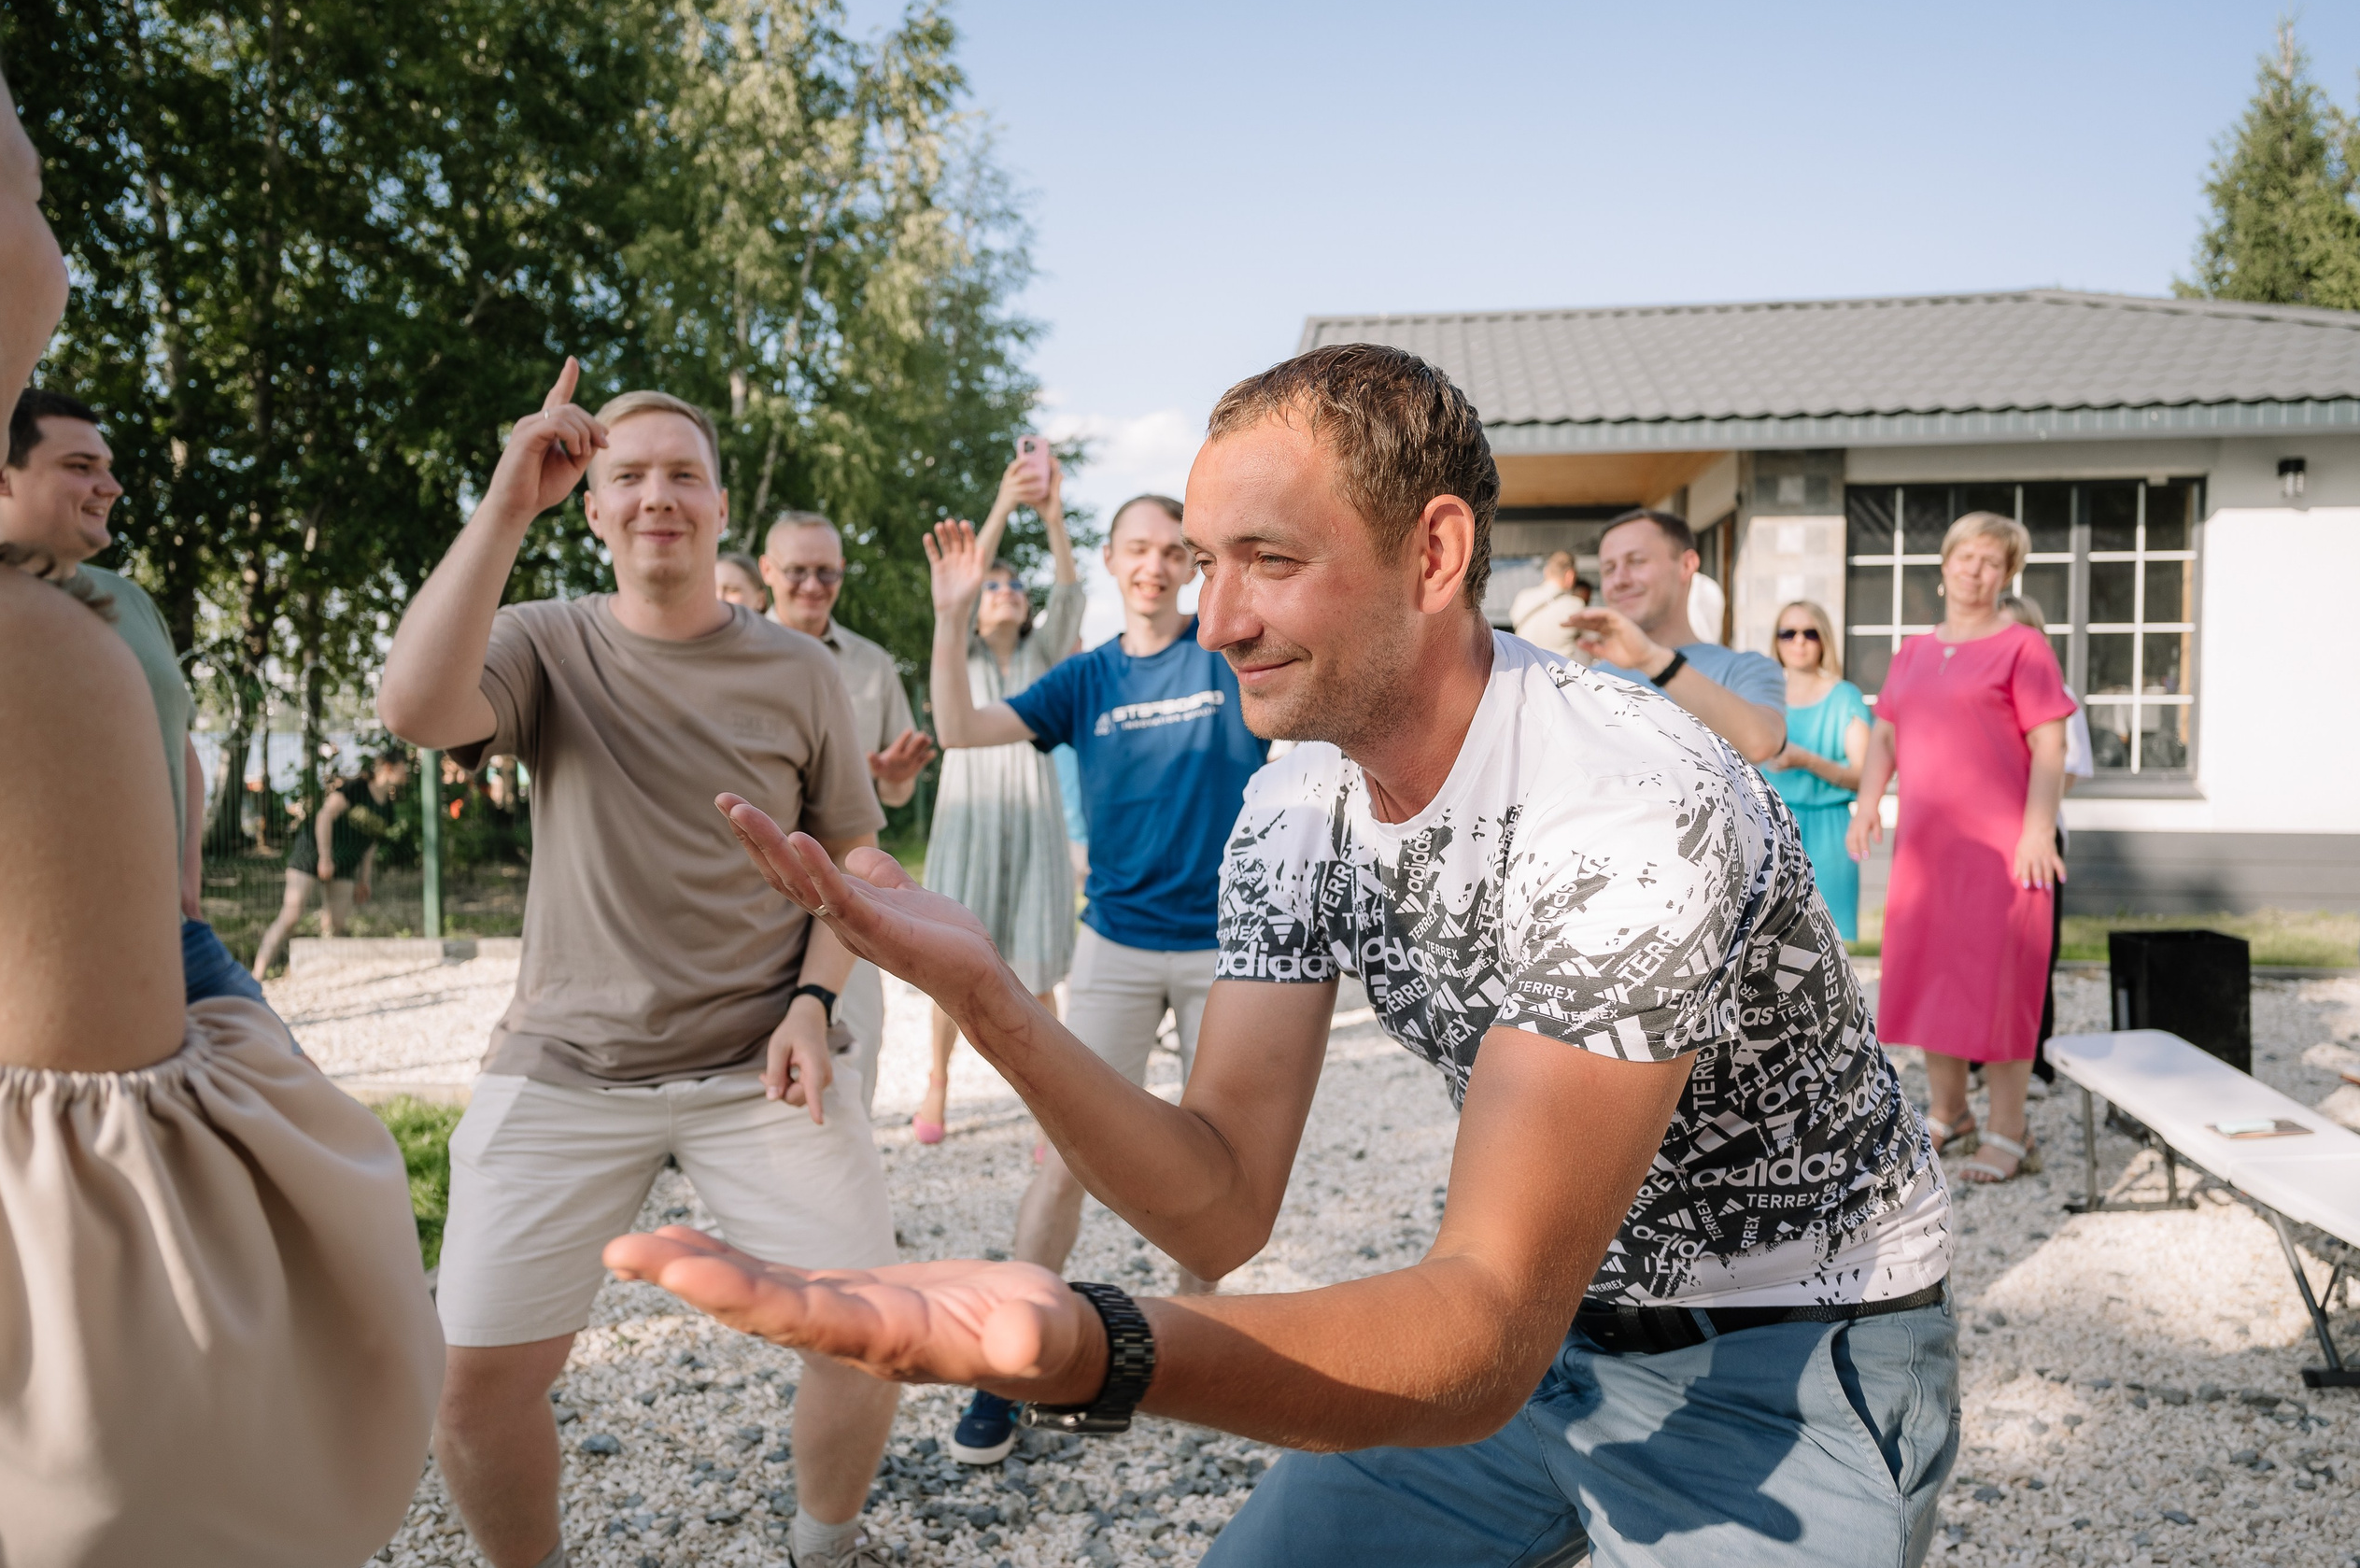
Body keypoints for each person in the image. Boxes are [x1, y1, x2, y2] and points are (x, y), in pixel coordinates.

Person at [610, 343, 1957, 1568]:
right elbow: (1218, 1202)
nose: (1215, 621)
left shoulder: (1619, 803)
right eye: (1204, 561)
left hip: (1784, 1350)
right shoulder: (1299, 797)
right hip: (1547, 1344)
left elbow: (1482, 1332)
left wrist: (1097, 1344)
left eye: (1268, 559)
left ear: (1435, 556)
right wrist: (990, 997)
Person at [0, 0, 442, 1561]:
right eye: (30, 189)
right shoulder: (23, 650)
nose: (55, 258)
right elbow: (134, 1386)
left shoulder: (106, 614)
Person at [377, 370, 903, 1568]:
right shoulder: (544, 641)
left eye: (682, 475)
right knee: (471, 1383)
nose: (656, 493)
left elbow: (854, 855)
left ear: (721, 511)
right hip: (567, 1064)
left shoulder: (802, 671)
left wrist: (815, 1003)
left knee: (872, 1330)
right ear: (593, 508)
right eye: (628, 475)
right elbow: (413, 706)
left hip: (757, 1064)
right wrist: (504, 503)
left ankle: (825, 1543)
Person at [918, 483, 1269, 1465]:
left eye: (1174, 551)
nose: (1154, 566)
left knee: (1217, 1168)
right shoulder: (1084, 679)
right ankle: (1009, 1361)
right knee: (1066, 1152)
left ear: (1193, 565)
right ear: (1112, 565)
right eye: (1137, 550)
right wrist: (950, 623)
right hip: (1113, 945)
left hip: (1226, 948)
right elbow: (958, 728)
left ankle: (1186, 1353)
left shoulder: (1230, 649)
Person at [0, 386, 265, 1006]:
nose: (111, 486)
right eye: (81, 467)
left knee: (297, 1096)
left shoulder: (130, 599)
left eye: (107, 466)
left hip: (175, 937)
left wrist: (186, 882)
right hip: (23, 962)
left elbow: (177, 742)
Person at [1848, 514, 2073, 1186]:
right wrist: (1867, 804)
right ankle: (1951, 1111)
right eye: (1965, 557)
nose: (1976, 570)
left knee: (2001, 985)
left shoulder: (2023, 647)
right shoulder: (1912, 651)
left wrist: (2037, 828)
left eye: (1992, 561)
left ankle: (2011, 1129)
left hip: (2004, 850)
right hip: (1928, 850)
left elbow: (2050, 745)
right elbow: (1885, 734)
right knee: (1932, 982)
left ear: (2008, 574)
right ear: (1943, 565)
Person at [911, 455, 1083, 1148]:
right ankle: (938, 1081)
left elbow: (1069, 594)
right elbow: (957, 585)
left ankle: (1055, 1100)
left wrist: (1049, 515)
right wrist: (1004, 501)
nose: (1006, 589)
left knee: (1037, 965)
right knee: (953, 964)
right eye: (994, 585)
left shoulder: (1045, 655)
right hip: (967, 823)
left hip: (1034, 823)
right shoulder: (957, 653)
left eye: (1016, 584)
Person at [757, 513, 939, 1112]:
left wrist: (893, 780)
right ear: (767, 572)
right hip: (749, 899)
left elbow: (895, 801)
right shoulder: (726, 655)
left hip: (846, 893)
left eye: (827, 572)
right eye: (798, 571)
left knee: (850, 1070)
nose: (813, 585)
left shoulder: (870, 663)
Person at [1562, 507, 1788, 762]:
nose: (1619, 580)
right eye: (1608, 569)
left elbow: (1760, 743)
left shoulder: (1745, 668)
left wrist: (1653, 661)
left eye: (1636, 561)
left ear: (1686, 565)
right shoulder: (1589, 680)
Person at [1998, 590, 2091, 1092]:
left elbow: (2069, 766)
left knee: (2033, 949)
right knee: (1983, 948)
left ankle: (2036, 1060)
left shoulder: (2057, 688)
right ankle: (1980, 1059)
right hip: (1984, 834)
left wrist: (2032, 813)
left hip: (2038, 829)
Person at [1760, 599, 1872, 941]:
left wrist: (1807, 760)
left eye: (1809, 633)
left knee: (1829, 941)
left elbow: (1865, 775)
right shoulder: (1761, 697)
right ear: (1776, 641)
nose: (1799, 641)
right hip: (1770, 827)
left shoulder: (1844, 697)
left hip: (1829, 830)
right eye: (1788, 633)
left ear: (1824, 639)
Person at [250, 746, 412, 978]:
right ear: (388, 768)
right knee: (291, 916)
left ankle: (318, 974)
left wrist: (364, 880)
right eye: (403, 768)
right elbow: (325, 815)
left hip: (345, 863)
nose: (406, 773)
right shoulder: (356, 788)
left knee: (337, 924)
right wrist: (325, 857)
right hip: (314, 851)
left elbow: (370, 846)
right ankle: (257, 975)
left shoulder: (387, 808)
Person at [1505, 547, 1583, 651]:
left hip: (1526, 665)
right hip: (1559, 666)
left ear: (1546, 571)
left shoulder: (1523, 597)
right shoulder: (1575, 605)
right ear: (1570, 575)